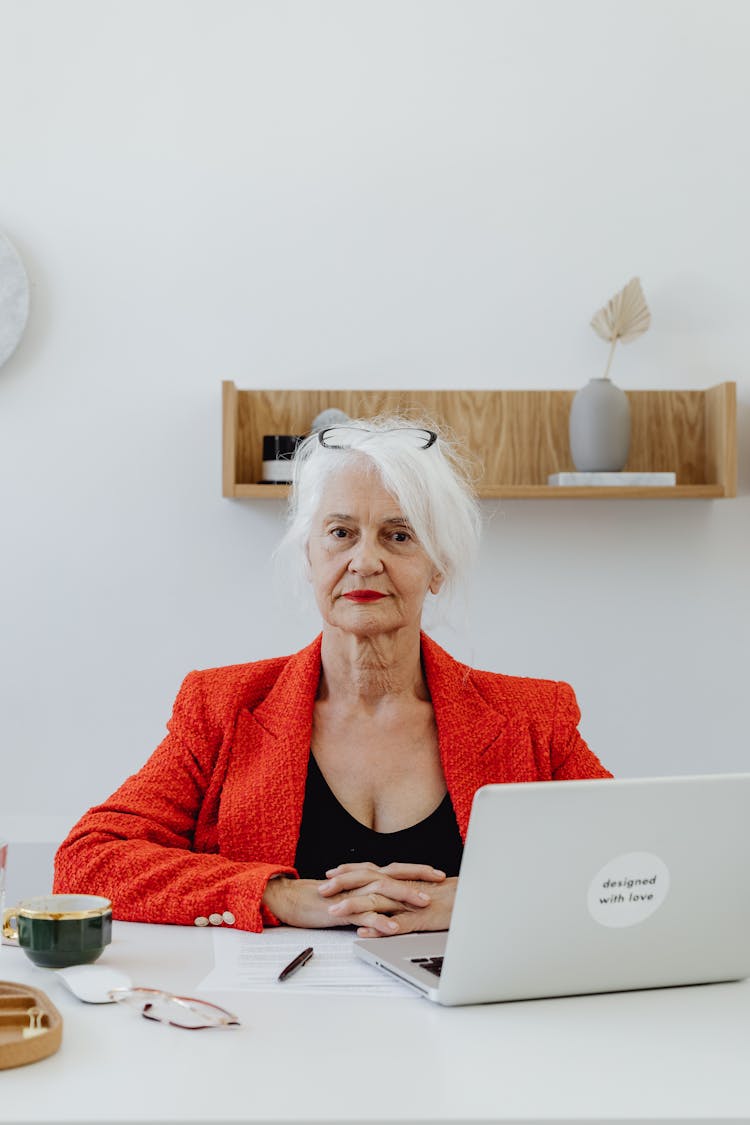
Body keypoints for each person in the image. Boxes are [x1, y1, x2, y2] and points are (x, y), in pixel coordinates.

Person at [54, 418, 611, 936]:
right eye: (341, 532)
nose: (365, 561)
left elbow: (631, 862)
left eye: (398, 535)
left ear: (438, 565)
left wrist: (477, 899)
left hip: (470, 1021)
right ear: (310, 557)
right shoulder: (221, 706)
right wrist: (276, 895)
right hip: (268, 1025)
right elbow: (87, 860)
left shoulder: (533, 717)